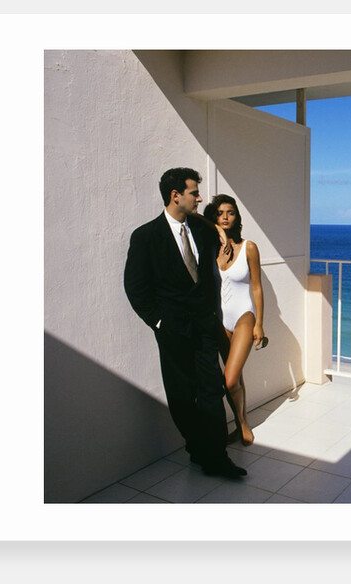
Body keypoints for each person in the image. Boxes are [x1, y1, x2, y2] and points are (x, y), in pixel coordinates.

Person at [123, 168, 247, 478]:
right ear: (175, 195)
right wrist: (159, 322)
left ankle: (218, 457)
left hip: (204, 328)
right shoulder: (146, 236)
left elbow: (213, 239)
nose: (199, 197)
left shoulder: (203, 230)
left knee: (211, 391)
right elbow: (135, 287)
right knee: (180, 396)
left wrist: (219, 231)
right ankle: (197, 449)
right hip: (172, 331)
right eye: (194, 192)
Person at [203, 194, 266, 446]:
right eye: (220, 213)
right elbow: (193, 217)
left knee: (229, 379)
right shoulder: (212, 249)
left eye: (230, 212)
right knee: (236, 378)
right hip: (220, 319)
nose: (226, 217)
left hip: (244, 316)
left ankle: (242, 423)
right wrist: (217, 231)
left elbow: (258, 288)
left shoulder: (248, 247)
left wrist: (259, 323)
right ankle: (241, 423)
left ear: (237, 216)